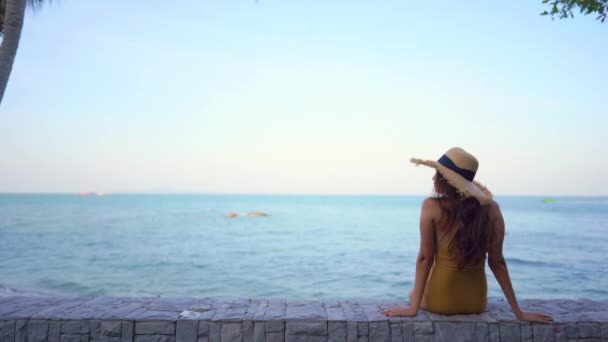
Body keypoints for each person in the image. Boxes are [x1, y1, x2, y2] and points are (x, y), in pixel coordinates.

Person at [381, 147, 553, 323]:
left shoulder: (431, 206)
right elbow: (497, 262)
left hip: (441, 301)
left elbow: (425, 258)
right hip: (476, 302)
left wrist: (413, 308)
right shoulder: (491, 208)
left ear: (448, 180)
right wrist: (518, 312)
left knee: (412, 293)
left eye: (439, 173)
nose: (434, 177)